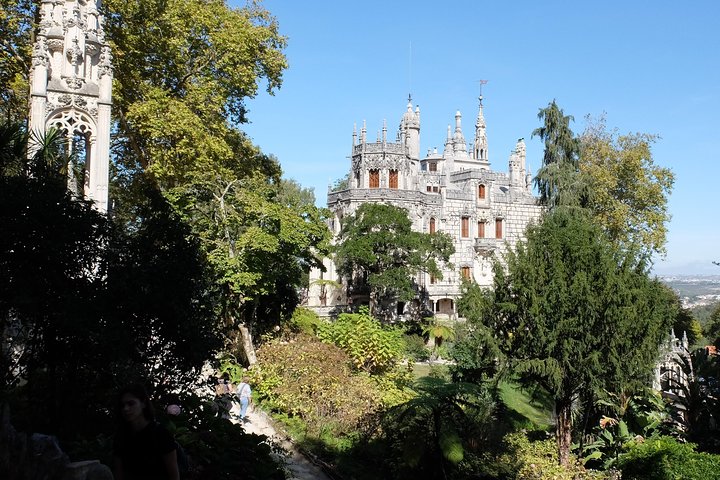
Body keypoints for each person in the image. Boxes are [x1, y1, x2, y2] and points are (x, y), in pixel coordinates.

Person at [113, 384, 180, 480]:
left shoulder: (160, 434)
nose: (126, 409)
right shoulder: (121, 436)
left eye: (131, 404)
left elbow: (173, 474)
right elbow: (118, 473)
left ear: (143, 403)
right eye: (122, 405)